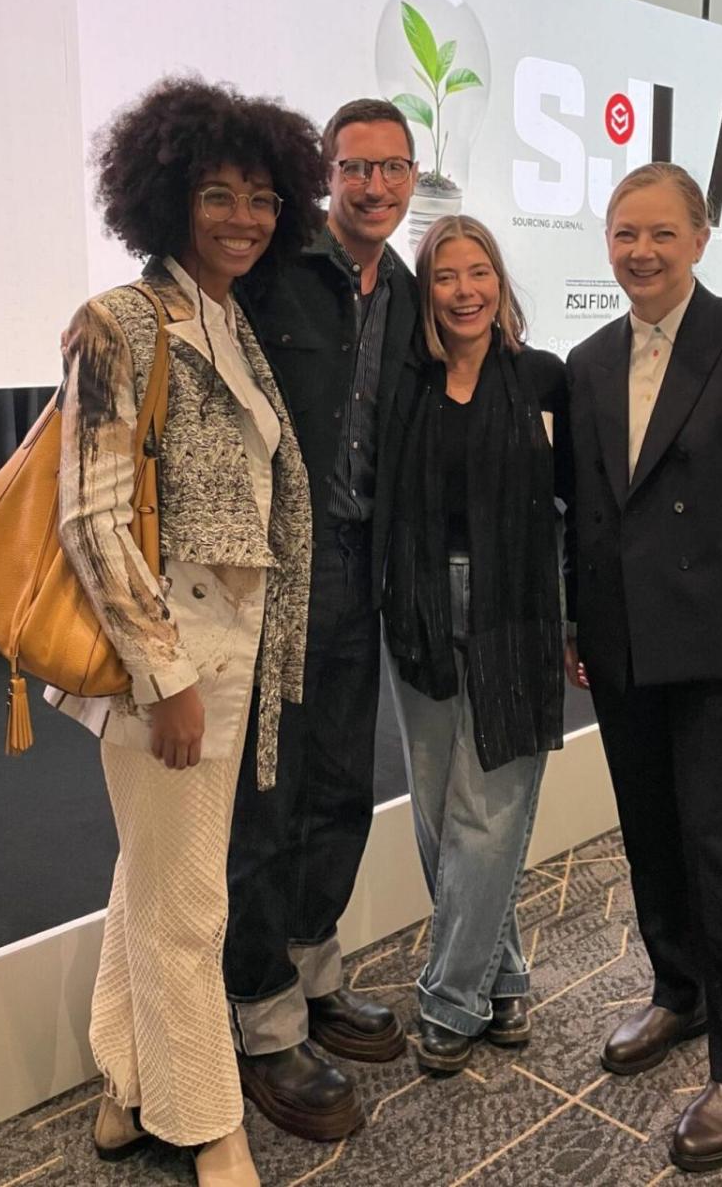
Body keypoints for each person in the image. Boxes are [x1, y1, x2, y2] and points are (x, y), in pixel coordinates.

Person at [50, 76, 326, 1186]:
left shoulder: (225, 318)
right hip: (164, 663)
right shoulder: (119, 321)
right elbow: (91, 518)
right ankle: (209, 1121)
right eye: (219, 194)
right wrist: (162, 677)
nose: (244, 218)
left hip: (230, 650)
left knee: (154, 878)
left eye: (262, 198)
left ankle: (125, 1086)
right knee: (189, 903)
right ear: (166, 196)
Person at [564, 162, 722, 1174]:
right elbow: (585, 513)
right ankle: (679, 993)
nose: (641, 251)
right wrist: (581, 627)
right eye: (625, 233)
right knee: (651, 838)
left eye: (661, 233)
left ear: (701, 239)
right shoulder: (586, 361)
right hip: (622, 642)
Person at [225, 98, 420, 1140]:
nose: (374, 188)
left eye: (392, 170)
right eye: (356, 169)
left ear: (413, 176)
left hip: (361, 573)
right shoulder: (273, 270)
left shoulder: (415, 292)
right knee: (268, 795)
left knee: (342, 786)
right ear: (328, 176)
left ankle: (312, 978)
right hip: (271, 577)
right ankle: (258, 1017)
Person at [384, 215, 572, 1076]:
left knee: (487, 813)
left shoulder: (543, 379)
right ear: (427, 294)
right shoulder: (407, 382)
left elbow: (579, 509)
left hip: (518, 608)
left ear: (501, 281)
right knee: (436, 812)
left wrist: (581, 620)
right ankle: (503, 978)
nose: (465, 291)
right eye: (446, 278)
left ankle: (451, 999)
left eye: (479, 272)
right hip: (419, 604)